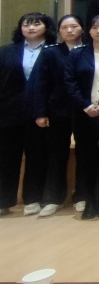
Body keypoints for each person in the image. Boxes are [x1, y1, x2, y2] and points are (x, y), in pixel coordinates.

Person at [26, 15, 84, 217]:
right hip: (57, 110)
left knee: (85, 155)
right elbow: (40, 83)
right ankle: (54, 198)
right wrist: (40, 112)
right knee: (56, 155)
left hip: (85, 110)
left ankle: (82, 195)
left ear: (82, 29)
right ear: (59, 31)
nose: (69, 30)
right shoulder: (50, 52)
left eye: (74, 26)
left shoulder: (88, 50)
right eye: (65, 27)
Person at [65, 15, 99, 219]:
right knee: (85, 158)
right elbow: (69, 82)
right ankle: (89, 200)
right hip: (84, 114)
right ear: (88, 30)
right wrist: (86, 106)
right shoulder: (77, 54)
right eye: (94, 27)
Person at [0, 13, 56, 216]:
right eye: (26, 24)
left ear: (46, 27)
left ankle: (33, 198)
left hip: (40, 112)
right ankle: (4, 200)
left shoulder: (53, 50)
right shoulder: (6, 51)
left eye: (36, 24)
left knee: (36, 156)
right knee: (7, 157)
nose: (31, 28)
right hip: (8, 111)